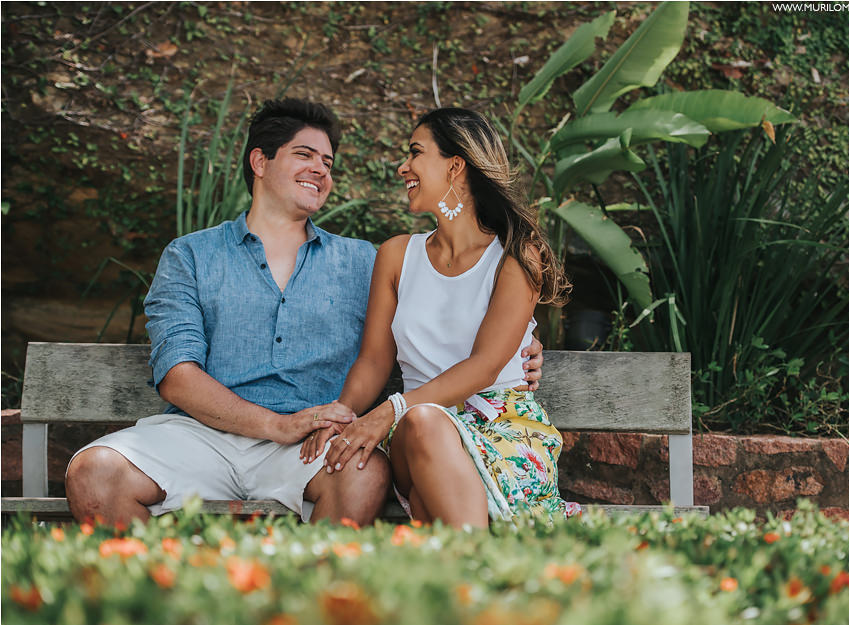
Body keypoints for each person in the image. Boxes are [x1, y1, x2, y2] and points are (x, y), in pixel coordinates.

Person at [63, 98, 544, 527]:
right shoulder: (190, 256)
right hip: (201, 437)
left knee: (361, 474)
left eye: (328, 163)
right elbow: (177, 374)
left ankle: (309, 608)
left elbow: (439, 327)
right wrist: (277, 424)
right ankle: (176, 601)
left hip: (310, 447)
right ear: (259, 161)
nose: (321, 170)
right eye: (304, 155)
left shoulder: (363, 262)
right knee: (94, 474)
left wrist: (520, 341)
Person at [299, 108, 578, 529]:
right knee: (423, 423)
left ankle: (460, 574)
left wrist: (390, 410)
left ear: (455, 166)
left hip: (503, 431)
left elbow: (486, 366)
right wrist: (343, 414)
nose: (402, 167)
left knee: (430, 502)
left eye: (415, 152)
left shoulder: (515, 257)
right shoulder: (396, 256)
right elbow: (375, 360)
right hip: (416, 434)